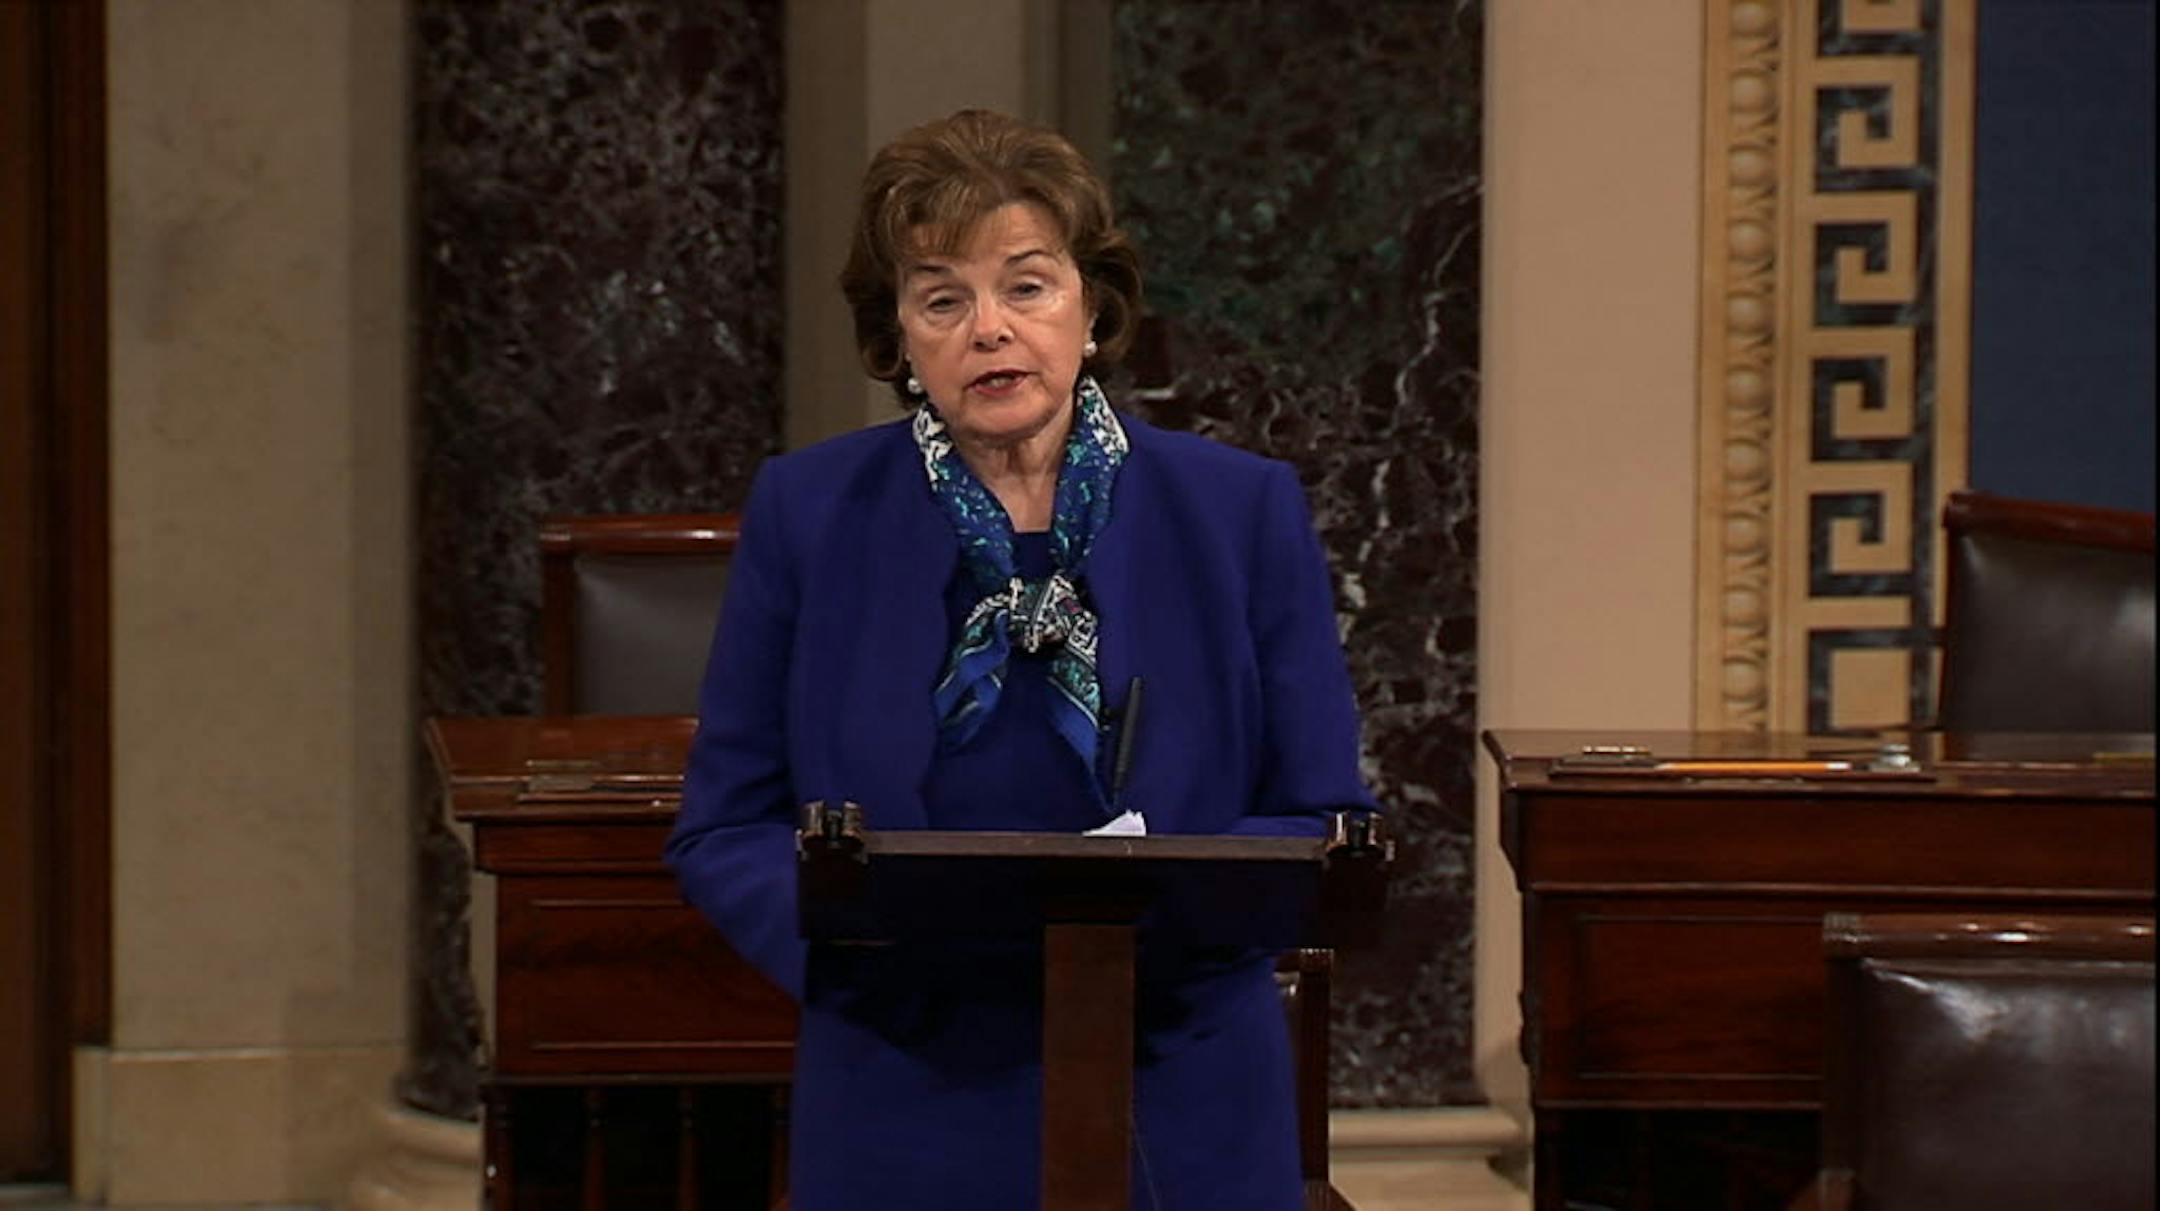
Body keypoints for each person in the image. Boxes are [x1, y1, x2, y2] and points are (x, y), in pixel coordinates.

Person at [666, 108, 1375, 1210]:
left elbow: (1321, 815)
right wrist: (864, 953)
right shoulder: (809, 511)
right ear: (900, 338)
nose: (989, 329)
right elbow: (725, 825)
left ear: (1092, 307)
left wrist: (1125, 944)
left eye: (1027, 286)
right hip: (903, 1072)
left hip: (1176, 1070)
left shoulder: (1239, 511)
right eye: (942, 299)